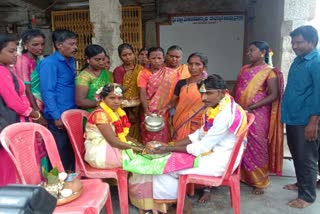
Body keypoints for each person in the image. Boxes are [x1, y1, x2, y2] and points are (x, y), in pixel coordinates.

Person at [125, 74, 247, 213]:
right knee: (164, 160)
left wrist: (167, 148)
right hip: (213, 154)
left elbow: (201, 147)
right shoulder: (218, 106)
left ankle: (179, 207)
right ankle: (171, 204)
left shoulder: (224, 114)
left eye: (209, 93)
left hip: (219, 161)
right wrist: (170, 146)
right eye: (202, 93)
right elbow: (198, 135)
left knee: (163, 168)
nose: (204, 98)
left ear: (222, 92)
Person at [233, 41, 284, 195]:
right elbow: (237, 87)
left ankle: (260, 181)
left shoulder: (270, 72)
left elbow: (274, 95)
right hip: (241, 111)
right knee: (242, 143)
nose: (249, 53)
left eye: (252, 50)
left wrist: (253, 107)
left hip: (259, 113)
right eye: (249, 50)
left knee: (257, 145)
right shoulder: (244, 69)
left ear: (263, 52)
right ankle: (243, 175)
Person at [281, 25, 320, 208]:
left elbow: (319, 94)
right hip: (293, 117)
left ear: (312, 42)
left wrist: (313, 121)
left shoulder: (316, 62)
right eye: (293, 42)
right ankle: (301, 184)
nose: (294, 46)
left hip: (307, 120)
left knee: (307, 158)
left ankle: (307, 196)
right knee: (297, 154)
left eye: (299, 42)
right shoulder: (299, 60)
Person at [0, 33, 45, 186]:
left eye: (16, 51)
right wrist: (35, 114)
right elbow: (14, 102)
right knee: (12, 163)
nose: (15, 55)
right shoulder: (1, 72)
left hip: (13, 120)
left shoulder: (7, 70)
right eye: (11, 51)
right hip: (11, 121)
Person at [39, 29, 78, 171]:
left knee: (71, 151)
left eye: (75, 44)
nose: (75, 47)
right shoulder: (49, 63)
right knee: (60, 152)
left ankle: (73, 182)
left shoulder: (70, 61)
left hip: (71, 113)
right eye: (71, 44)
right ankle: (59, 185)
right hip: (58, 116)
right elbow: (47, 91)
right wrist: (56, 116)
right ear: (59, 45)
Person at [138, 47, 180, 144]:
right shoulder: (143, 73)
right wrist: (146, 110)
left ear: (163, 58)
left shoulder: (172, 73)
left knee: (164, 132)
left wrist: (167, 107)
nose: (156, 61)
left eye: (159, 58)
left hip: (164, 109)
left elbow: (176, 93)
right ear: (148, 59)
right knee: (148, 132)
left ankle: (163, 155)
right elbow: (142, 92)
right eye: (153, 58)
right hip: (147, 109)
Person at [166, 52, 207, 142]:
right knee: (179, 146)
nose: (193, 67)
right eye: (190, 64)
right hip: (181, 120)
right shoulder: (181, 83)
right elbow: (173, 102)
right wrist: (164, 109)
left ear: (204, 67)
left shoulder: (207, 84)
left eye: (197, 64)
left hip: (200, 122)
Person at [113, 43, 144, 140]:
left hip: (140, 103)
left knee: (140, 128)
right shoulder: (119, 70)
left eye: (130, 54)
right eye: (124, 55)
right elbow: (118, 90)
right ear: (120, 56)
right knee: (127, 127)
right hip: (126, 105)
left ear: (134, 54)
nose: (128, 57)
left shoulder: (140, 69)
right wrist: (129, 107)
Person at [75, 44, 113, 112]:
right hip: (91, 114)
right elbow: (80, 101)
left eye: (103, 59)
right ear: (88, 59)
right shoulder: (83, 76)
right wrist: (101, 104)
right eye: (97, 59)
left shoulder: (106, 73)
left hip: (107, 112)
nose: (101, 62)